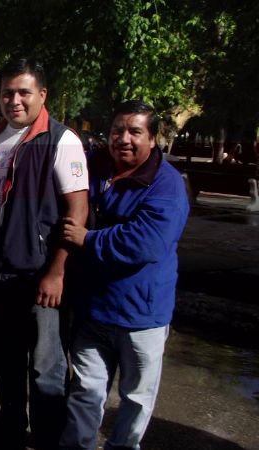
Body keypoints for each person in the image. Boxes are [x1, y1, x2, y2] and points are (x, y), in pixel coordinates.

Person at [59, 100, 189, 450]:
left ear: (153, 138)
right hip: (93, 311)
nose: (124, 139)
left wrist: (88, 238)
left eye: (135, 131)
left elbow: (147, 243)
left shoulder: (167, 185)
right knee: (85, 391)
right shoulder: (94, 167)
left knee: (135, 399)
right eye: (118, 130)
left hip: (142, 316)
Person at [0, 57, 89, 450]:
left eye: (24, 92)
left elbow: (77, 212)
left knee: (46, 369)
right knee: (6, 362)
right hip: (0, 275)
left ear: (42, 94)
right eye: (7, 92)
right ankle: (10, 432)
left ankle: (46, 440)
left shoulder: (62, 141)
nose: (15, 100)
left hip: (41, 277)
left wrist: (57, 271)